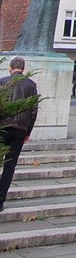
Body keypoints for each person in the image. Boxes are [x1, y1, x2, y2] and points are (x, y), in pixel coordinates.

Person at [0, 57, 39, 211]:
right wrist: (27, 132)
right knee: (10, 165)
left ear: (11, 67)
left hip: (2, 127)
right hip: (20, 129)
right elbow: (33, 112)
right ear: (23, 68)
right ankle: (1, 199)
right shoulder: (31, 85)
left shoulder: (2, 82)